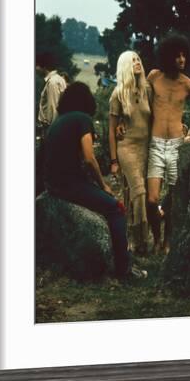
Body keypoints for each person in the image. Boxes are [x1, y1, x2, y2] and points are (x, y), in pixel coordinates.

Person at [44, 81, 147, 280]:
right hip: (68, 184)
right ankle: (124, 269)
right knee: (116, 209)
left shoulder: (60, 120)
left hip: (53, 184)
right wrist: (103, 185)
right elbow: (89, 158)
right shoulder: (82, 119)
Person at [147, 32, 190, 254]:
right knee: (152, 200)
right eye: (177, 56)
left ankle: (167, 242)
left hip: (176, 146)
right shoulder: (154, 77)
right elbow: (139, 103)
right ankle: (155, 237)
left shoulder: (189, 85)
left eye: (184, 56)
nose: (181, 60)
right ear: (167, 56)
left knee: (173, 200)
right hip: (154, 144)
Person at [108, 51, 153, 255]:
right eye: (133, 60)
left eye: (138, 59)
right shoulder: (117, 94)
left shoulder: (147, 90)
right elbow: (111, 129)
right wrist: (113, 160)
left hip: (145, 148)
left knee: (135, 195)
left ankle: (135, 240)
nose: (137, 62)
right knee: (139, 192)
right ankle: (139, 242)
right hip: (126, 147)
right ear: (125, 65)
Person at [36, 52, 67, 133]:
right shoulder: (57, 79)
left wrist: (51, 131)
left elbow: (53, 107)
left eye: (37, 66)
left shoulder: (52, 82)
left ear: (44, 67)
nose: (36, 69)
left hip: (50, 128)